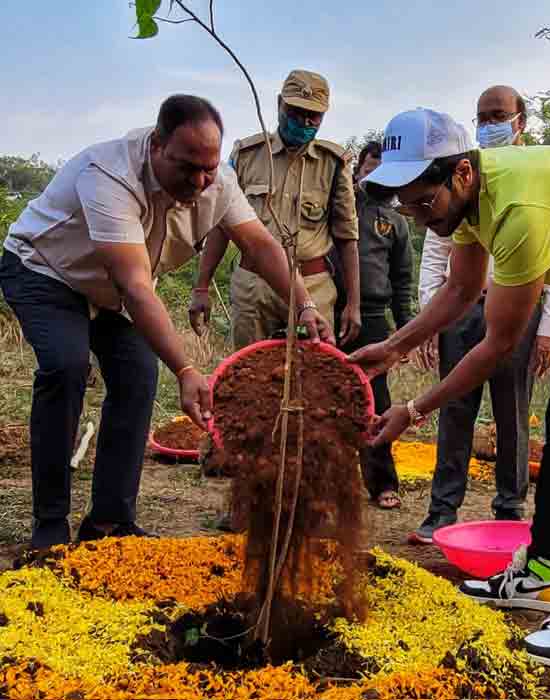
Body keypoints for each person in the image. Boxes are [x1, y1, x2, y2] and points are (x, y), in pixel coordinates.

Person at [349, 108, 550, 670]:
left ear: (462, 175)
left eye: (423, 202)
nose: (418, 216)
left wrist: (412, 407)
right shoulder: (469, 198)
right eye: (404, 204)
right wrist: (395, 347)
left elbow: (498, 343)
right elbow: (460, 288)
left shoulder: (519, 207)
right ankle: (542, 570)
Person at [0, 95, 332, 550]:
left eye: (209, 168)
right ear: (157, 145)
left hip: (114, 292)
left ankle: (110, 522)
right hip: (46, 272)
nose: (200, 181)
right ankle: (49, 525)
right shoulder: (108, 174)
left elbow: (260, 245)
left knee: (137, 377)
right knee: (66, 365)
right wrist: (186, 369)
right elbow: (136, 287)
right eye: (188, 167)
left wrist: (304, 305)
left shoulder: (220, 182)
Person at [409, 86, 550, 543]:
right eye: (482, 116)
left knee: (512, 411)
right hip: (462, 310)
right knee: (453, 407)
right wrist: (428, 321)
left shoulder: (540, 173)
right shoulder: (463, 173)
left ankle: (510, 509)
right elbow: (435, 250)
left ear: (521, 121)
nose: (488, 123)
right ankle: (442, 510)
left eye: (498, 114)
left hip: (520, 309)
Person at [190, 69, 360, 349]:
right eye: (295, 112)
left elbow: (347, 237)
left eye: (313, 116)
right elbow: (221, 226)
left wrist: (353, 304)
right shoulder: (247, 155)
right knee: (248, 376)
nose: (304, 122)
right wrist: (201, 286)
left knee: (314, 379)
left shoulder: (334, 163)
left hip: (314, 285)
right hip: (254, 287)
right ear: (279, 104)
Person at [329, 141, 413, 510]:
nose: (378, 174)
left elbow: (402, 280)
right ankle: (326, 482)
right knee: (323, 399)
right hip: (328, 310)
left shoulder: (396, 222)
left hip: (376, 319)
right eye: (372, 165)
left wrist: (407, 332)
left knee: (375, 400)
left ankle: (381, 483)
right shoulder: (337, 206)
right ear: (360, 168)